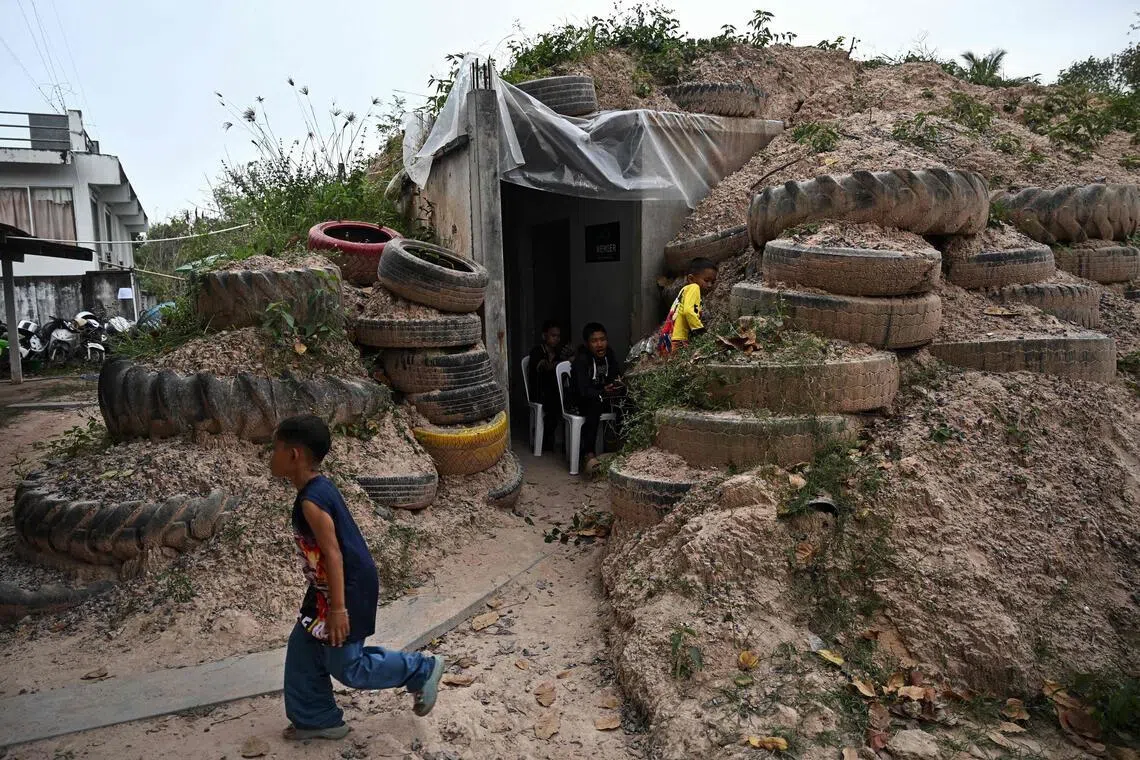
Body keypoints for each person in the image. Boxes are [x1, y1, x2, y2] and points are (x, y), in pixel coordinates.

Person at [271, 415, 445, 741]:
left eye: (276, 449)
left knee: (347, 665)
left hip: (347, 589)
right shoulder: (317, 487)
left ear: (294, 455)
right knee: (304, 646)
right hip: (326, 588)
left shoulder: (311, 501)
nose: (271, 456)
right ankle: (316, 718)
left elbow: (334, 555)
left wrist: (338, 609)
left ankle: (421, 670)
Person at [571, 322, 624, 474]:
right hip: (582, 401)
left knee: (626, 399)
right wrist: (602, 391)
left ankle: (621, 446)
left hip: (603, 397)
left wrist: (616, 386)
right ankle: (588, 454)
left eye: (603, 339)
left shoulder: (609, 355)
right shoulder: (581, 361)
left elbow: (615, 375)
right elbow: (583, 390)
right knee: (594, 402)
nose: (600, 344)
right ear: (587, 344)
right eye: (594, 341)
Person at [527, 320, 574, 451]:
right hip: (539, 392)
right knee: (555, 403)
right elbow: (546, 367)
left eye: (558, 336)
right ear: (544, 336)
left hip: (553, 392)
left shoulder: (558, 352)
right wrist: (564, 362)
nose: (556, 339)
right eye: (553, 336)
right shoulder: (537, 351)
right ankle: (546, 439)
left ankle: (568, 444)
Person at [657, 257, 718, 355]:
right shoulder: (694, 288)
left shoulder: (685, 290)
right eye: (706, 280)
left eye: (713, 282)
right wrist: (699, 329)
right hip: (678, 338)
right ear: (691, 279)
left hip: (668, 337)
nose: (710, 285)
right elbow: (688, 311)